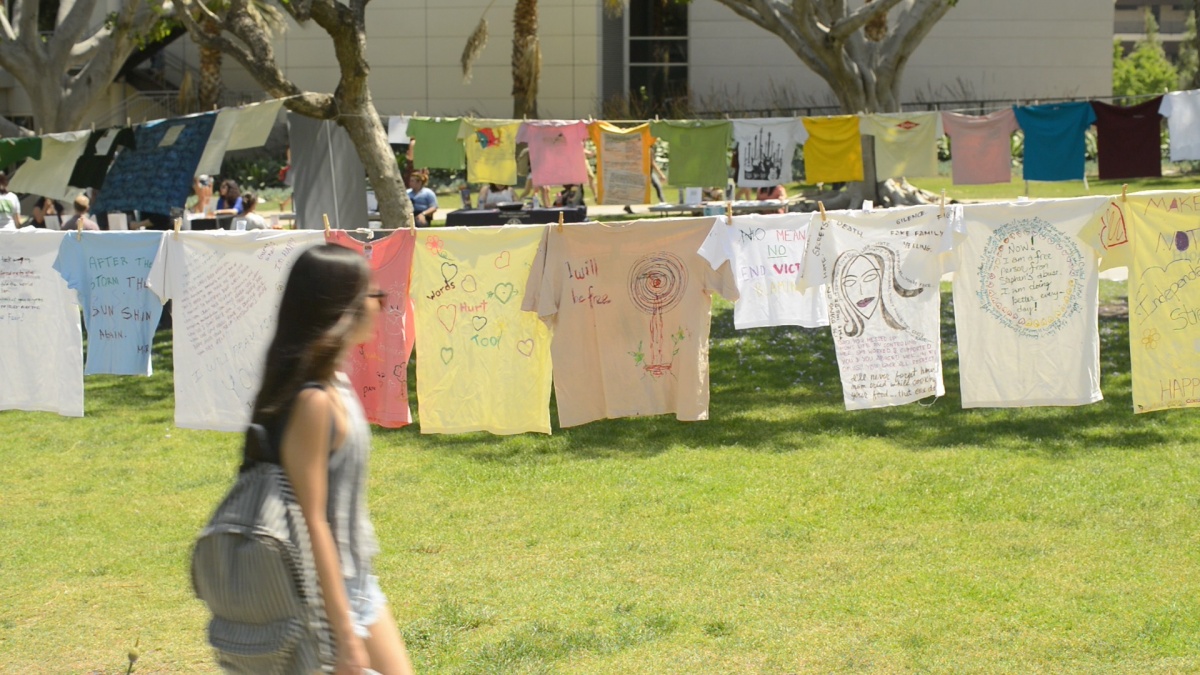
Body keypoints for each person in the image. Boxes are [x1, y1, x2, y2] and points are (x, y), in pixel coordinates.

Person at [249, 244, 415, 675]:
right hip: (325, 594)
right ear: (344, 308)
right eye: (374, 296)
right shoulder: (314, 402)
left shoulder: (335, 383)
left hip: (358, 583)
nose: (382, 306)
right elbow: (312, 519)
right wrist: (343, 633)